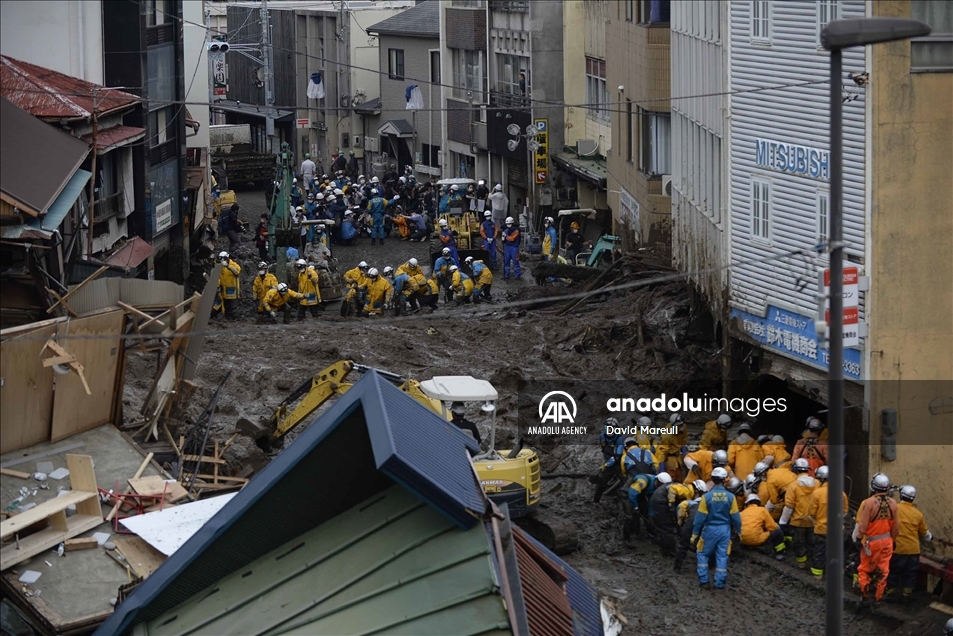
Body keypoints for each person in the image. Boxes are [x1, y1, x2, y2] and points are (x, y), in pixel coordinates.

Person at [691, 467, 742, 590]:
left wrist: (695, 533)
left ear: (713, 479)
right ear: (724, 480)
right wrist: (739, 531)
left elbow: (700, 518)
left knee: (702, 554)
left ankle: (704, 581)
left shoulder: (706, 497)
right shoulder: (731, 497)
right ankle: (720, 583)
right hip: (725, 531)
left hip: (709, 529)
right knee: (722, 556)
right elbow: (736, 517)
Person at [853, 472, 900, 604]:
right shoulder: (893, 503)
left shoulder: (869, 503)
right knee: (883, 570)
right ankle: (878, 597)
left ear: (873, 486)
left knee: (865, 569)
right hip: (887, 542)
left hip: (871, 542)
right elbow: (896, 526)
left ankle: (865, 595)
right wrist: (894, 540)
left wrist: (858, 538)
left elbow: (863, 524)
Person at [886, 485, 932, 602]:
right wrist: (930, 537)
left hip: (898, 548)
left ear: (901, 495)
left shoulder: (893, 509)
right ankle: (906, 596)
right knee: (910, 574)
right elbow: (925, 534)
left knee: (894, 571)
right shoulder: (918, 514)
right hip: (913, 550)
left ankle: (890, 593)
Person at [807, 465, 848, 580]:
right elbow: (845, 511)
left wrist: (817, 521)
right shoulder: (841, 493)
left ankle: (817, 576)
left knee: (819, 552)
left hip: (821, 529)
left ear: (821, 479)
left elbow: (811, 513)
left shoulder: (817, 494)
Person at [779, 458, 817, 569]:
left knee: (799, 543)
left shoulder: (793, 486)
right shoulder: (817, 484)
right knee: (813, 543)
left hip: (798, 521)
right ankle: (813, 562)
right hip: (813, 521)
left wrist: (783, 522)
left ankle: (801, 564)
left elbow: (789, 506)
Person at [625, 471, 672, 540]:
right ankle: (629, 536)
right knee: (631, 515)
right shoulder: (643, 481)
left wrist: (650, 515)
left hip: (639, 495)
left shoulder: (655, 489)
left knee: (645, 512)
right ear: (658, 482)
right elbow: (632, 494)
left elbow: (651, 501)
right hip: (627, 494)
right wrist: (635, 507)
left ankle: (650, 532)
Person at [674, 480, 709, 571]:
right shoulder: (709, 504)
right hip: (705, 525)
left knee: (683, 545)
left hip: (690, 524)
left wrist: (680, 523)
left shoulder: (689, 503)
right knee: (705, 546)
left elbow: (680, 510)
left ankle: (677, 567)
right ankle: (707, 566)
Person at [739, 494, 786, 560]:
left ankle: (747, 546)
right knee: (778, 533)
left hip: (742, 539)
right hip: (756, 539)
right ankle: (780, 554)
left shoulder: (742, 513)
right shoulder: (762, 510)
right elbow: (772, 526)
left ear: (747, 503)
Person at [764, 457, 798, 521]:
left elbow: (774, 499)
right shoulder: (779, 470)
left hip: (790, 493)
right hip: (799, 485)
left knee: (784, 519)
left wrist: (766, 509)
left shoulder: (770, 480)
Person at [658, 413, 688, 482]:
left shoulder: (683, 428)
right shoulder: (666, 435)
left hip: (678, 458)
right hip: (670, 460)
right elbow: (663, 451)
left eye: (681, 425)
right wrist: (661, 464)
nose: (681, 427)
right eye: (679, 426)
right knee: (671, 479)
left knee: (680, 478)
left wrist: (684, 450)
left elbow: (684, 439)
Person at [213, 251, 241, 318]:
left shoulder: (234, 265)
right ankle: (226, 317)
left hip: (233, 291)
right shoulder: (221, 267)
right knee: (226, 306)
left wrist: (228, 266)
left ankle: (233, 318)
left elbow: (237, 271)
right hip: (224, 291)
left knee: (232, 307)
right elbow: (218, 277)